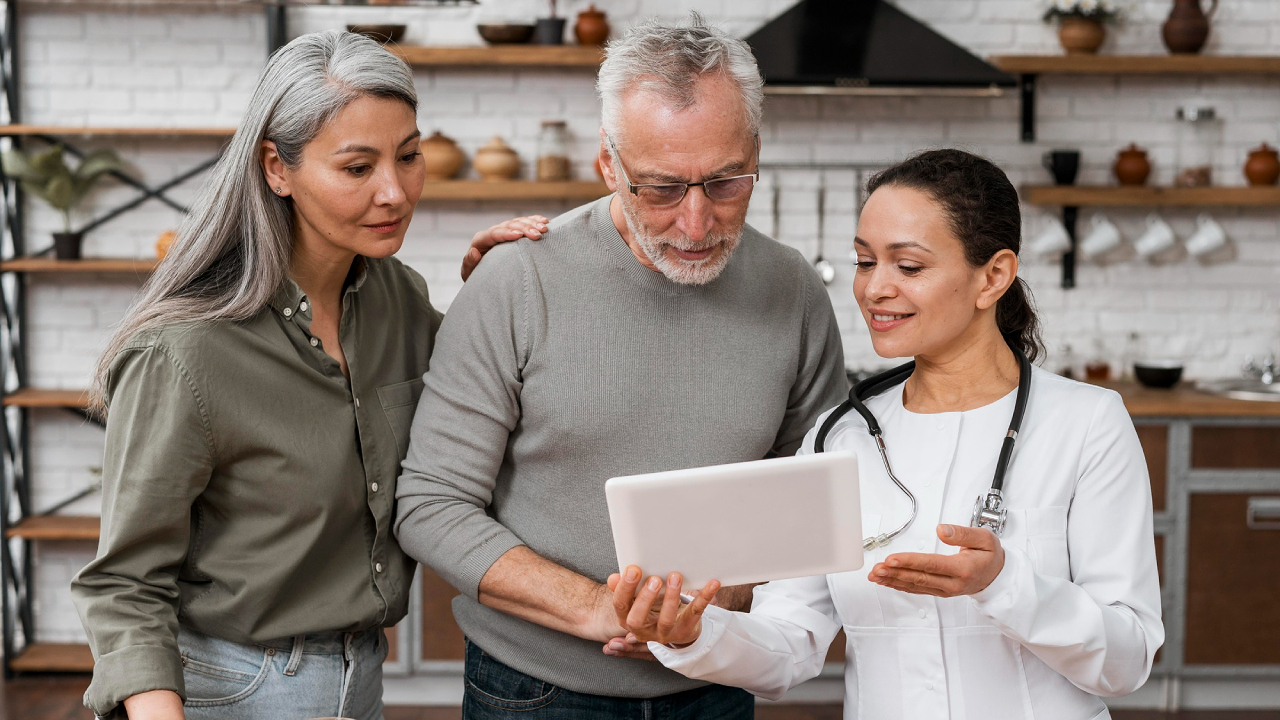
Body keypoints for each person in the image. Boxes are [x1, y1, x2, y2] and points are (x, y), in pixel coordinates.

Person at [71, 31, 544, 720]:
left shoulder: (399, 301)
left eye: (408, 156)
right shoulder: (184, 352)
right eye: (358, 168)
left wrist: (490, 297)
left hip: (359, 679)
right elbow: (124, 584)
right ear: (277, 168)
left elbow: (480, 415)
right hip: (227, 689)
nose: (395, 191)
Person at [392, 14, 849, 720]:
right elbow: (430, 506)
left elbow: (811, 499)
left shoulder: (793, 291)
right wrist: (600, 610)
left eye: (726, 183)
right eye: (660, 189)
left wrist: (725, 600)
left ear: (755, 151)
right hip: (533, 692)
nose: (696, 224)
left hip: (715, 684)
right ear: (609, 164)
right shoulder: (516, 282)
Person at [609, 149, 1165, 720]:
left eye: (909, 266)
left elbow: (1127, 659)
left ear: (993, 276)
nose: (875, 289)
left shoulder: (1087, 423)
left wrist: (1004, 583)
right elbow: (790, 643)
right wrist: (692, 634)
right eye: (864, 261)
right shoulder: (839, 436)